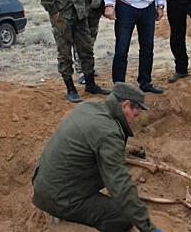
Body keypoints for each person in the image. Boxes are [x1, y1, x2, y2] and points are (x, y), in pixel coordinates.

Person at [32, 82, 162, 232]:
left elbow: (92, 141)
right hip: (60, 198)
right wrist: (148, 228)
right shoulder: (109, 132)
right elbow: (120, 185)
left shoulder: (88, 107)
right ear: (125, 105)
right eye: (135, 114)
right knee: (122, 217)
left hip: (45, 184)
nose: (133, 120)